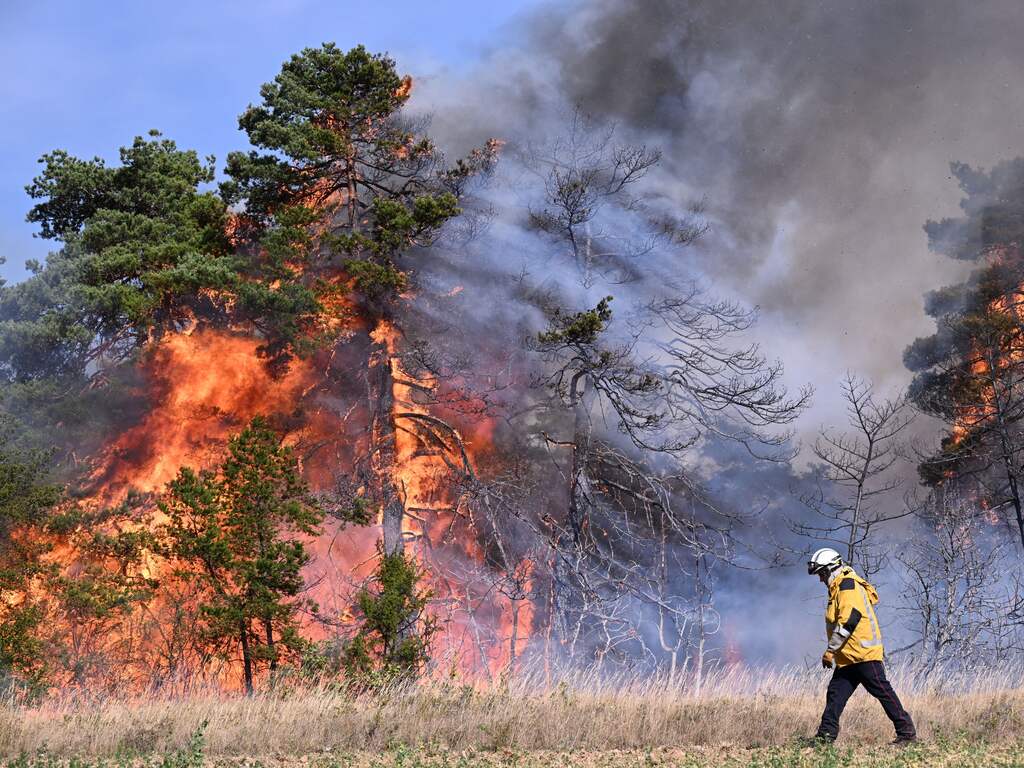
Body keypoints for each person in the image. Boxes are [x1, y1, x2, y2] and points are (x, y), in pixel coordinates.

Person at [804, 547, 917, 745]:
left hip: (864, 654)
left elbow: (850, 620)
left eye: (822, 573)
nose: (820, 579)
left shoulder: (848, 586)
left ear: (832, 569)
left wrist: (831, 650)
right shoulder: (838, 588)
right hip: (848, 657)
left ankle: (907, 734)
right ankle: (825, 738)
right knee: (835, 695)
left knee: (882, 691)